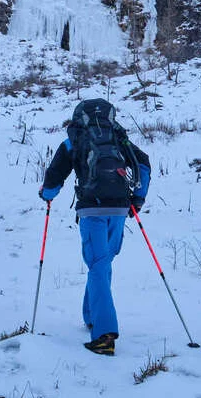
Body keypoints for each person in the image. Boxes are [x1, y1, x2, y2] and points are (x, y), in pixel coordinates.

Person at [38, 99, 151, 356]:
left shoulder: (75, 140)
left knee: (98, 264)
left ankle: (103, 334)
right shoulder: (118, 138)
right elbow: (143, 163)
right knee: (102, 263)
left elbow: (55, 176)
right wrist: (138, 198)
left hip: (92, 209)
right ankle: (91, 316)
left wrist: (47, 194)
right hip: (120, 209)